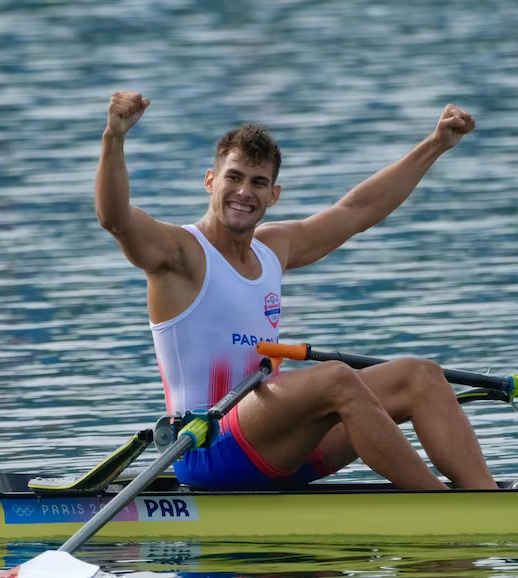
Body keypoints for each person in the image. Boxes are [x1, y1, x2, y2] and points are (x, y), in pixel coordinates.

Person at [96, 91, 497, 491]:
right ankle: (439, 503)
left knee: (421, 375)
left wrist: (436, 145)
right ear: (210, 181)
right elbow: (115, 219)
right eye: (233, 177)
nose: (244, 192)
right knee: (336, 378)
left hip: (279, 444)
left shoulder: (274, 247)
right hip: (207, 450)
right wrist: (114, 137)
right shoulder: (178, 253)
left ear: (274, 195)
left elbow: (357, 211)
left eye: (258, 182)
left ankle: (487, 499)